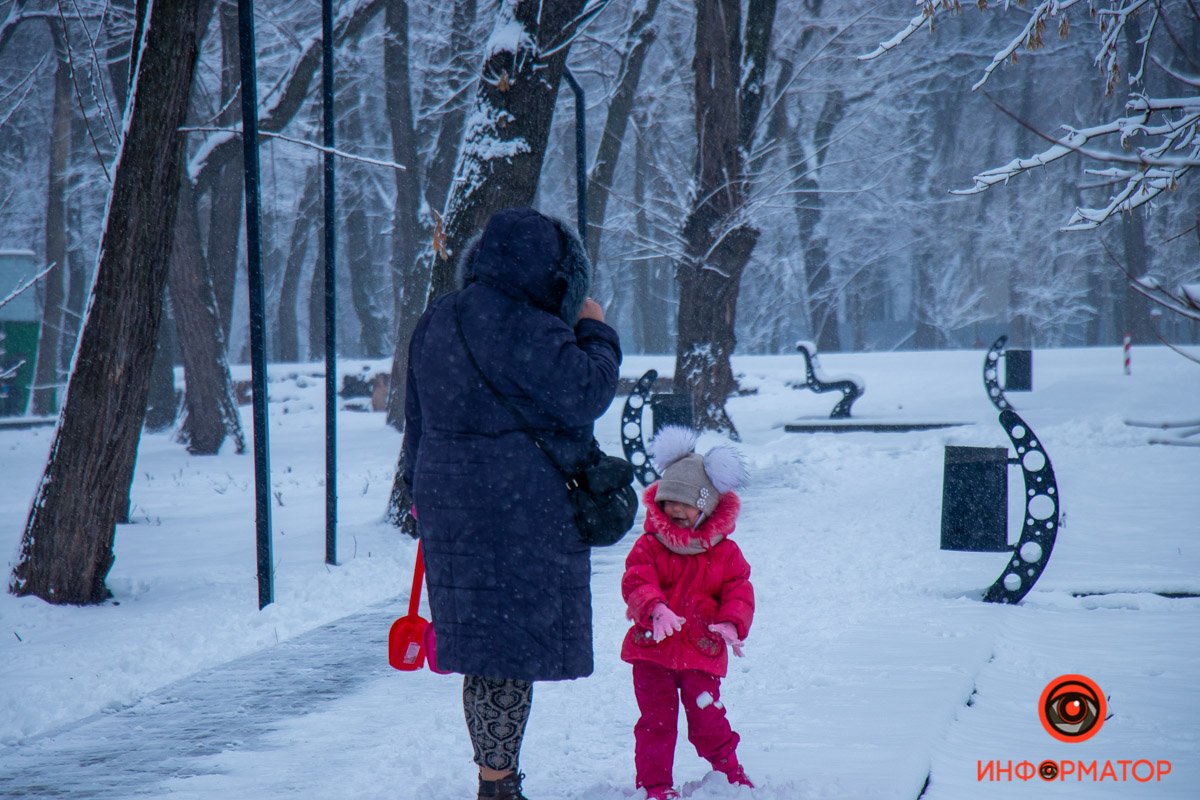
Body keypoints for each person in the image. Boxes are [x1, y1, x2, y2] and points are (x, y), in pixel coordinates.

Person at [400, 207, 622, 800]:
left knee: (487, 645)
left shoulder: (437, 319)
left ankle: (496, 777)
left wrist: (415, 492)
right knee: (505, 648)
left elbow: (415, 416)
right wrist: (595, 328)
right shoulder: (532, 325)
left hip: (449, 500)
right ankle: (497, 785)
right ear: (554, 271)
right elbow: (588, 392)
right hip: (520, 505)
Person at [620, 426, 754, 800]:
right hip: (652, 652)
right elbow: (635, 580)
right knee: (656, 723)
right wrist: (654, 608)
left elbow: (739, 589)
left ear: (707, 507)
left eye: (686, 503)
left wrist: (731, 621)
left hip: (701, 650)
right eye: (669, 501)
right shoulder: (649, 546)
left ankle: (729, 771)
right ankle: (656, 785)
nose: (676, 509)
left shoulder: (725, 553)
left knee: (707, 717)